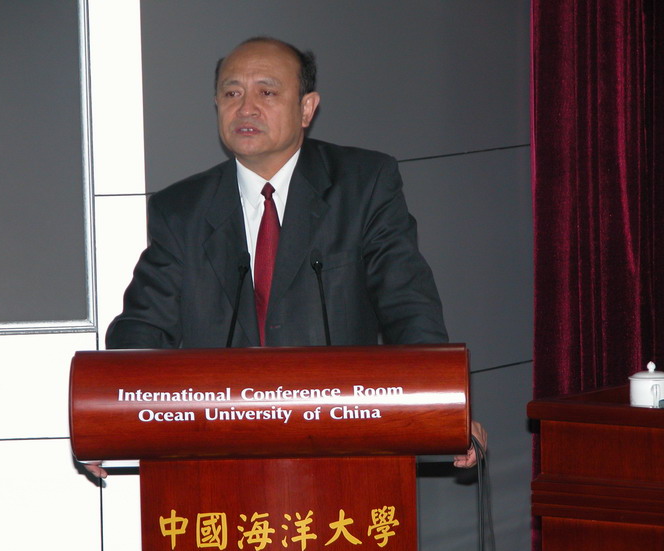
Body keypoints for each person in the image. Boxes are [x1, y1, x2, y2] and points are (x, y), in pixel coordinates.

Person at [88, 37, 485, 477]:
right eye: (232, 93)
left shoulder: (363, 184)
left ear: (307, 108)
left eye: (267, 92)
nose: (246, 108)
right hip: (219, 460)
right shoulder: (181, 209)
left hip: (343, 445)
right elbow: (144, 327)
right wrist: (108, 420)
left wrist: (444, 410)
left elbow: (406, 303)